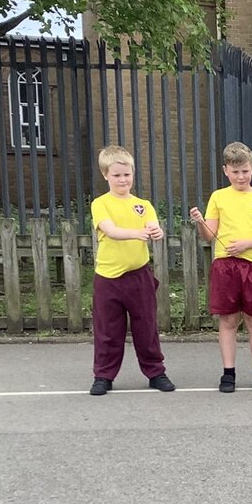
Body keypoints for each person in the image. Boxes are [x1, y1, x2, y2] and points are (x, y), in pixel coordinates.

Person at [189, 141, 252, 393]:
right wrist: (200, 222)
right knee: (228, 320)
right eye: (235, 171)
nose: (241, 176)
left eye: (245, 170)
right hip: (225, 265)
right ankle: (228, 372)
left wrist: (246, 244)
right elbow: (209, 235)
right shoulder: (218, 197)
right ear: (225, 171)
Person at [88, 145, 175, 396]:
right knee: (107, 330)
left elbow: (153, 226)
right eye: (116, 175)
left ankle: (156, 372)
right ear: (106, 175)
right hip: (108, 278)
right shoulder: (100, 204)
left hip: (139, 276)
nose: (123, 180)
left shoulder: (143, 204)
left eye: (127, 174)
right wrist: (138, 234)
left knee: (146, 327)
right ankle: (103, 375)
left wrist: (156, 231)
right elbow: (111, 230)